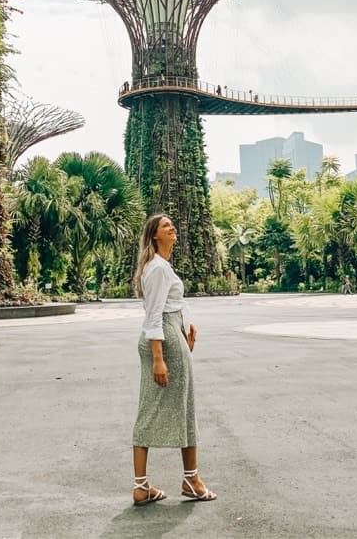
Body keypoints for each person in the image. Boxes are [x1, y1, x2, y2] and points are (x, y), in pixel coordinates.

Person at [131, 214, 216, 506]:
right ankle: (188, 480)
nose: (172, 227)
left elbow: (173, 306)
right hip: (163, 341)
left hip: (170, 338)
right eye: (165, 226)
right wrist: (159, 358)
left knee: (174, 408)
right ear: (155, 235)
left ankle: (155, 484)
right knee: (170, 409)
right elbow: (154, 315)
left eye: (171, 224)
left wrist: (184, 335)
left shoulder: (162, 267)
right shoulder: (157, 269)